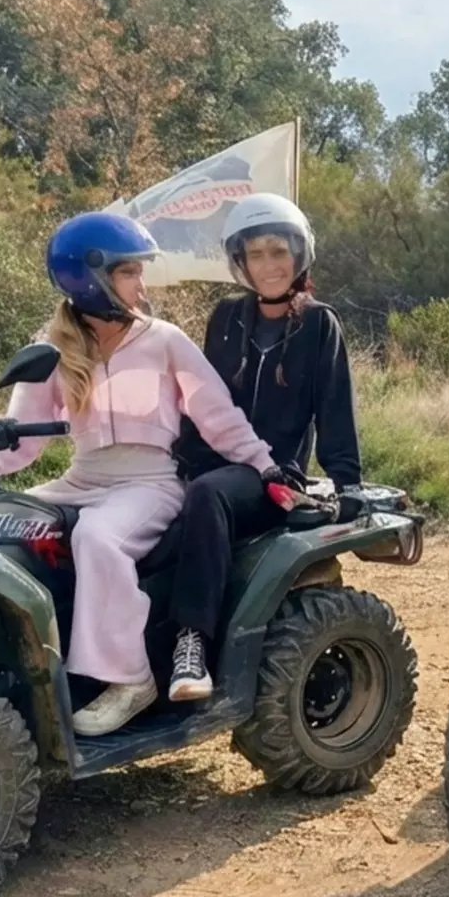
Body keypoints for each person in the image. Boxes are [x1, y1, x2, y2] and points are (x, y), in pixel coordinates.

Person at [0, 212, 298, 736]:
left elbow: (217, 416)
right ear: (91, 277)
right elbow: (22, 437)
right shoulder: (52, 349)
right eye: (130, 273)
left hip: (149, 482)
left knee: (99, 539)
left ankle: (131, 679)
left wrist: (265, 465)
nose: (141, 286)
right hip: (82, 478)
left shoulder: (164, 340)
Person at [164, 193, 363, 702]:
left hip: (272, 473)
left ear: (299, 255)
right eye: (256, 254)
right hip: (211, 460)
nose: (268, 265)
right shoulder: (225, 318)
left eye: (278, 252)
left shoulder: (320, 324)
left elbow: (334, 409)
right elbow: (201, 399)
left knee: (208, 496)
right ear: (240, 262)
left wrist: (348, 482)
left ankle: (192, 645)